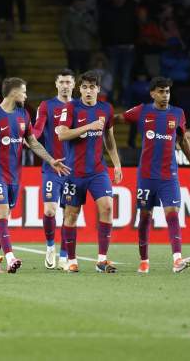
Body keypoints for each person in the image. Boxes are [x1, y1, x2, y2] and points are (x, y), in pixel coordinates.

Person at [0, 77, 70, 273]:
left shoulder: (23, 115)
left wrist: (51, 160)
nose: (26, 95)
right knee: (1, 213)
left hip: (14, 176)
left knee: (2, 218)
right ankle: (10, 258)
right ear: (13, 93)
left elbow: (33, 142)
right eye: (24, 91)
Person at [115, 77, 190, 274]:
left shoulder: (178, 113)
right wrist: (100, 119)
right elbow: (117, 119)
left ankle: (177, 260)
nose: (165, 95)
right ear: (152, 93)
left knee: (172, 213)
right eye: (161, 91)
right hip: (146, 175)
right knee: (145, 217)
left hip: (169, 175)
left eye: (167, 92)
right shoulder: (142, 111)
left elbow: (183, 140)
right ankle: (144, 261)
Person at [56, 71, 123, 273]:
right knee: (72, 215)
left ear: (98, 89)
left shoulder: (106, 109)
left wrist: (117, 164)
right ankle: (71, 260)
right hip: (74, 172)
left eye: (92, 87)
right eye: (84, 87)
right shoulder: (71, 108)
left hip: (97, 171)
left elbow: (109, 139)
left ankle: (102, 260)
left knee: (107, 208)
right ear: (80, 89)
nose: (88, 91)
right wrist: (89, 126)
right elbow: (63, 134)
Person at [32, 69, 75, 270]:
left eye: (68, 82)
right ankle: (50, 246)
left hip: (75, 169)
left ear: (74, 85)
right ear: (56, 84)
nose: (65, 85)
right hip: (52, 166)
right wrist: (27, 135)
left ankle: (65, 255)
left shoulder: (80, 107)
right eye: (62, 82)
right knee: (50, 211)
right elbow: (38, 129)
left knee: (69, 214)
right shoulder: (47, 106)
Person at [60, 0, 97, 74]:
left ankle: (83, 86)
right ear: (73, 3)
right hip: (73, 49)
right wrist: (69, 46)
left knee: (85, 71)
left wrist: (87, 26)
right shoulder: (68, 16)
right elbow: (63, 32)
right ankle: (70, 86)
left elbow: (94, 31)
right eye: (78, 3)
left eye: (82, 3)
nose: (80, 5)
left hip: (86, 49)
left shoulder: (89, 16)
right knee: (72, 71)